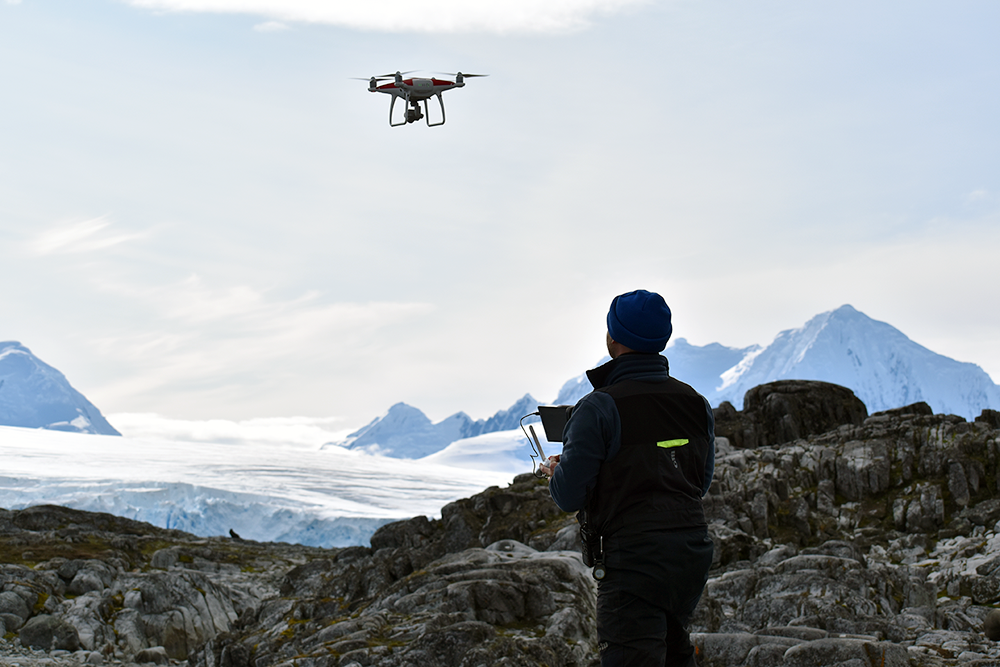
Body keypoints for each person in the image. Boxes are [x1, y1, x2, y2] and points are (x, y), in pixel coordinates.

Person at [541, 289, 715, 667]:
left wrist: (557, 471)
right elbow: (699, 482)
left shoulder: (599, 406)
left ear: (613, 338)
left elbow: (569, 495)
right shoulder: (696, 403)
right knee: (673, 651)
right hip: (690, 553)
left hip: (634, 559)